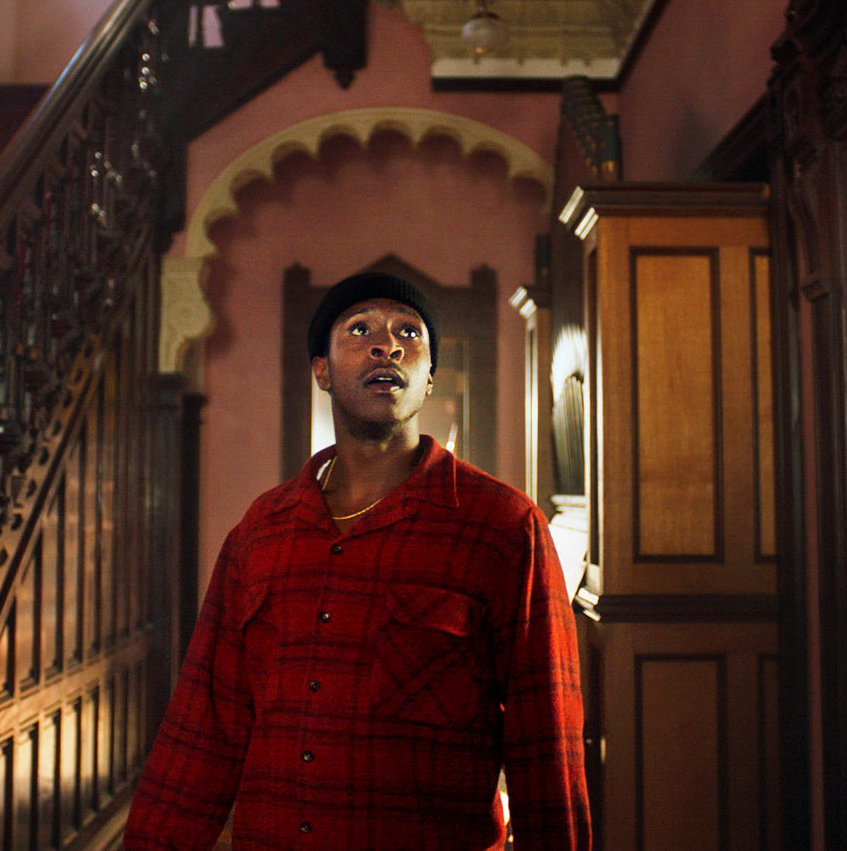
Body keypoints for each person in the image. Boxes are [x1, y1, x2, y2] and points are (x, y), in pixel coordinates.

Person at [122, 272, 590, 850]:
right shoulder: (262, 530)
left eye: (409, 334)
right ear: (321, 369)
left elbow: (546, 739)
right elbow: (207, 721)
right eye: (360, 329)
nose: (386, 345)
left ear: (429, 376)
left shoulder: (501, 527)